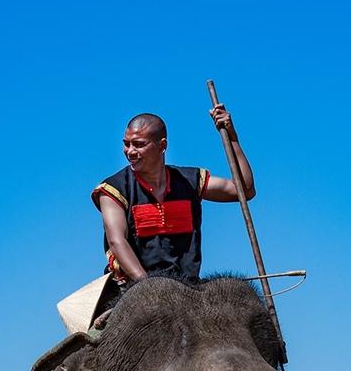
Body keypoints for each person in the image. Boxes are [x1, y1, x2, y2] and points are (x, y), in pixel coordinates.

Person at [91, 107, 255, 303]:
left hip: (187, 291)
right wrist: (149, 287)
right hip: (133, 290)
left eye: (139, 144)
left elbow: (244, 190)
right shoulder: (113, 189)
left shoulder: (190, 181)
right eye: (126, 144)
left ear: (162, 145)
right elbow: (117, 241)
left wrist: (232, 137)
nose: (130, 151)